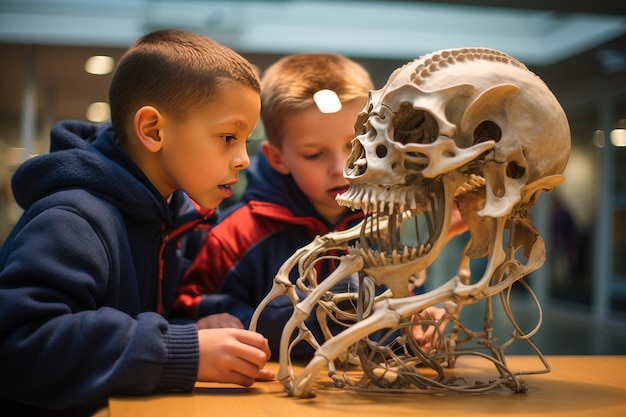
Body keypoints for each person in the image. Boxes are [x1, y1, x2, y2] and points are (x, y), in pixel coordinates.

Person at [0, 29, 274, 416]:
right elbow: (18, 344)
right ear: (153, 130)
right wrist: (180, 350)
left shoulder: (167, 218)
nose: (244, 159)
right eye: (228, 136)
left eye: (246, 140)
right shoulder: (73, 219)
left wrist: (192, 328)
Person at [173, 53, 467, 359]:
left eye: (355, 147)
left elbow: (400, 305)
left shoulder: (382, 225)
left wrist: (415, 327)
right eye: (314, 154)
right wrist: (212, 320)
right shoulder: (236, 234)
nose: (341, 167)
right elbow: (188, 306)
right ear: (277, 158)